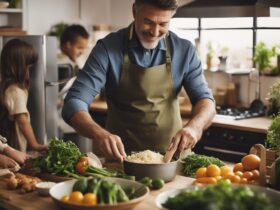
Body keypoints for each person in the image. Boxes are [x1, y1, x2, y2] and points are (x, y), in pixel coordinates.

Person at [62, 0, 216, 161]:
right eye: (148, 22)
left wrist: (194, 127)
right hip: (121, 160)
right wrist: (98, 132)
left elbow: (205, 101)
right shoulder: (108, 48)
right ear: (135, 11)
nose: (155, 32)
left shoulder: (184, 50)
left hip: (172, 158)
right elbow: (74, 101)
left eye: (163, 24)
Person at [0, 39, 48, 153]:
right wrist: (35, 145)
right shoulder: (15, 91)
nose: (28, 71)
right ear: (20, 66)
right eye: (28, 67)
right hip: (13, 145)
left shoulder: (4, 86)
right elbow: (22, 121)